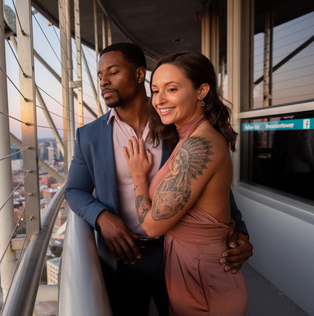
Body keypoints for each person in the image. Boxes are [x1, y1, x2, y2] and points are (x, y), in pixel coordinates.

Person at [64, 43, 253, 316]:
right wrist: (102, 217)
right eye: (100, 75)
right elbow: (74, 189)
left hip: (176, 254)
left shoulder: (179, 125)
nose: (103, 80)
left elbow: (212, 186)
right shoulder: (89, 135)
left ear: (140, 74)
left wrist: (239, 231)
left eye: (113, 72)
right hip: (124, 258)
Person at [124, 51, 248, 315]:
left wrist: (138, 177)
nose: (159, 100)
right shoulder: (186, 137)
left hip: (206, 285)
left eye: (172, 89)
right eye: (155, 90)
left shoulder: (198, 145)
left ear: (202, 91)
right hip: (191, 277)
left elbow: (152, 225)